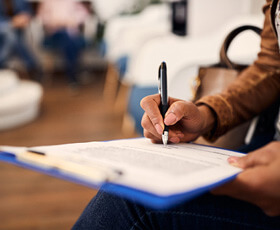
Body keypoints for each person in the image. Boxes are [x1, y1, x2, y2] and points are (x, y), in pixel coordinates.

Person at [72, 0, 280, 229]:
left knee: (130, 203)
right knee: (136, 185)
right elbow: (271, 67)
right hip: (268, 150)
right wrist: (206, 114)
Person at [37, 0, 89, 87]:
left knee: (69, 40)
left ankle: (72, 75)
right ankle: (74, 75)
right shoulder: (48, 2)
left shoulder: (72, 1)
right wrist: (55, 22)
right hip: (54, 34)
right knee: (69, 39)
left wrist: (72, 20)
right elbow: (42, 17)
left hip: (71, 33)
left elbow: (83, 14)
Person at [0, 0, 42, 81]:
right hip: (2, 32)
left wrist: (24, 17)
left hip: (18, 31)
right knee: (10, 35)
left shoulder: (19, 0)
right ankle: (32, 66)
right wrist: (11, 23)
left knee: (13, 37)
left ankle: (2, 64)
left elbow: (28, 11)